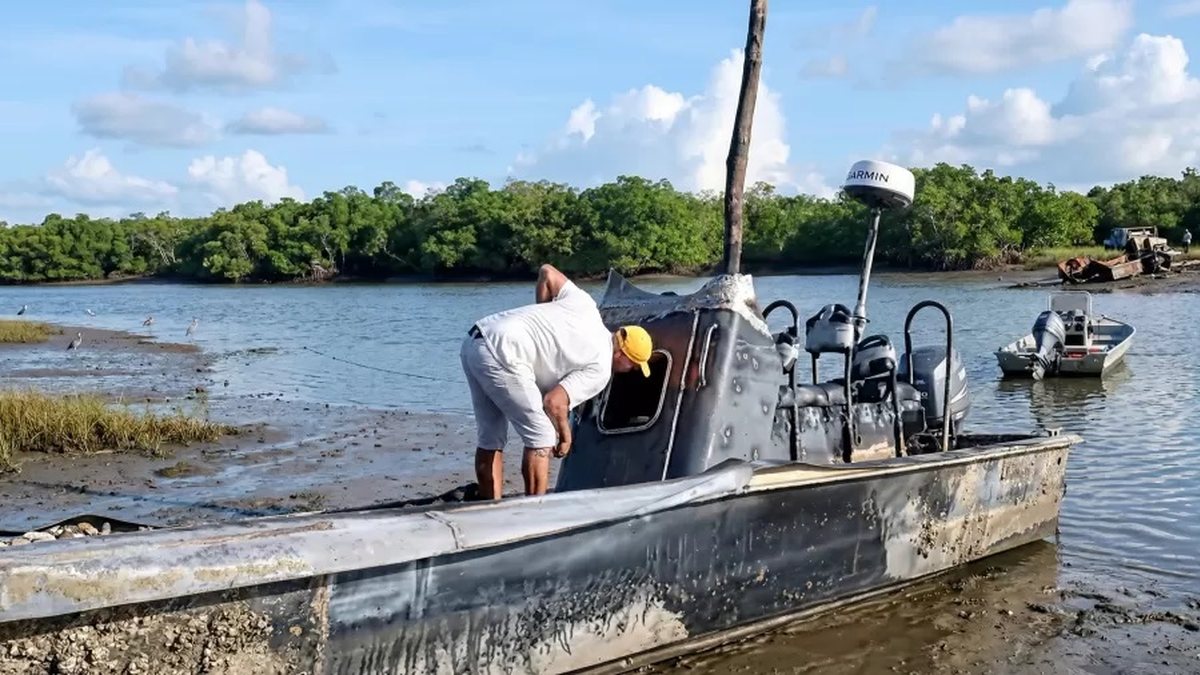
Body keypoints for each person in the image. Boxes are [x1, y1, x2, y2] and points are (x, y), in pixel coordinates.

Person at [460, 264, 653, 499]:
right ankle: (536, 510)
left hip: (475, 338)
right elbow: (554, 402)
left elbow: (547, 273)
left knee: (490, 436)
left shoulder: (586, 305)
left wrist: (542, 314)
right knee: (542, 437)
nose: (629, 371)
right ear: (622, 354)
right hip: (506, 353)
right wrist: (565, 436)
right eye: (633, 366)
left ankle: (489, 506)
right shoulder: (601, 367)